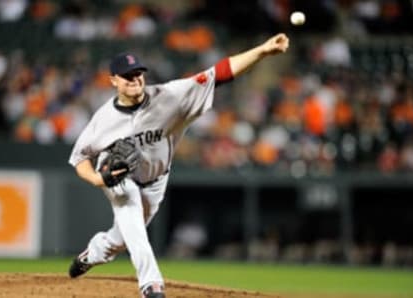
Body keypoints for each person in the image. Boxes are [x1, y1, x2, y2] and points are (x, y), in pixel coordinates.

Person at [67, 32, 290, 298]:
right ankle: (151, 285)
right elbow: (79, 157)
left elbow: (220, 73)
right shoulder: (103, 118)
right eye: (127, 75)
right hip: (118, 175)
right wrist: (97, 179)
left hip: (156, 180)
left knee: (121, 239)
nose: (135, 79)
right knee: (132, 217)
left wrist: (262, 50)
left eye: (138, 73)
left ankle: (92, 253)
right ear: (114, 80)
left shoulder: (170, 96)